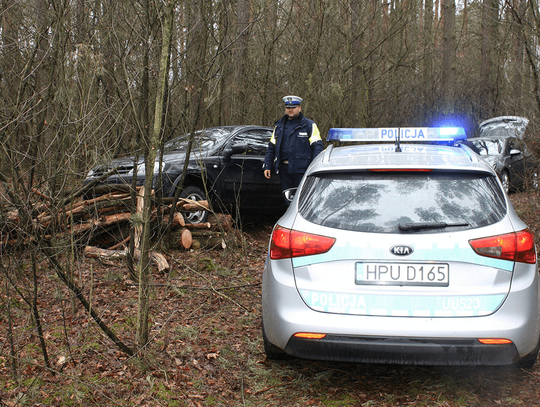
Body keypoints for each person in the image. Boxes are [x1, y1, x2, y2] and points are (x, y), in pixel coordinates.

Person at [263, 95, 324, 194]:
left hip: (302, 170)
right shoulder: (279, 126)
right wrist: (267, 165)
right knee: (287, 197)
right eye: (288, 108)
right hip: (284, 170)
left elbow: (317, 147)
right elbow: (271, 147)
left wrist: (314, 167)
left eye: (293, 107)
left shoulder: (309, 125)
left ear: (299, 108)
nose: (290, 110)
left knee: (303, 198)